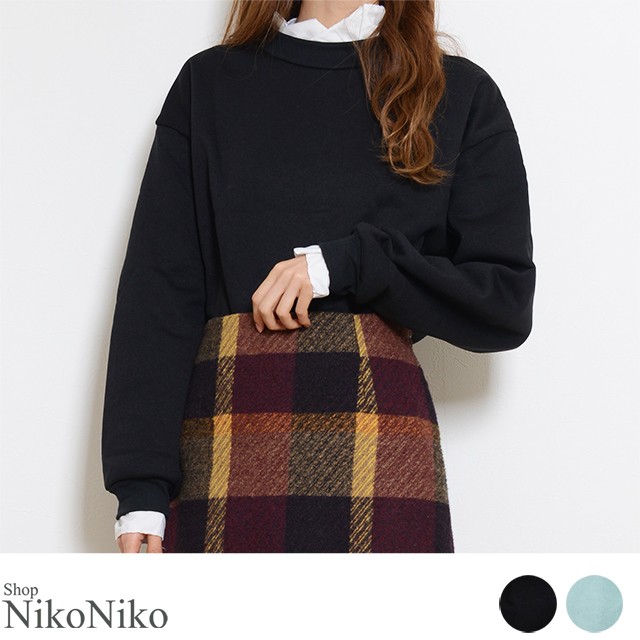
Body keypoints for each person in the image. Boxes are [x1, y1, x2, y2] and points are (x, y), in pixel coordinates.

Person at [102, 0, 535, 553]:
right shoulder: (210, 84)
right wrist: (141, 485)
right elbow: (159, 291)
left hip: (378, 439)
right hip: (226, 433)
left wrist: (351, 263)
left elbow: (503, 302)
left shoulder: (458, 91)